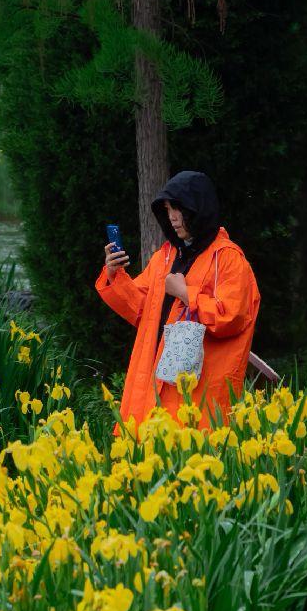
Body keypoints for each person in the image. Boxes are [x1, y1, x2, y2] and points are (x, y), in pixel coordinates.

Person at [96, 169, 260, 429]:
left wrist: (186, 293)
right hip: (155, 382)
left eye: (178, 209)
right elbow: (140, 309)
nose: (171, 217)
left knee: (190, 456)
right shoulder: (166, 255)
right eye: (168, 209)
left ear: (198, 209)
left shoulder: (228, 259)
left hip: (198, 389)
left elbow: (232, 317)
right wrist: (114, 275)